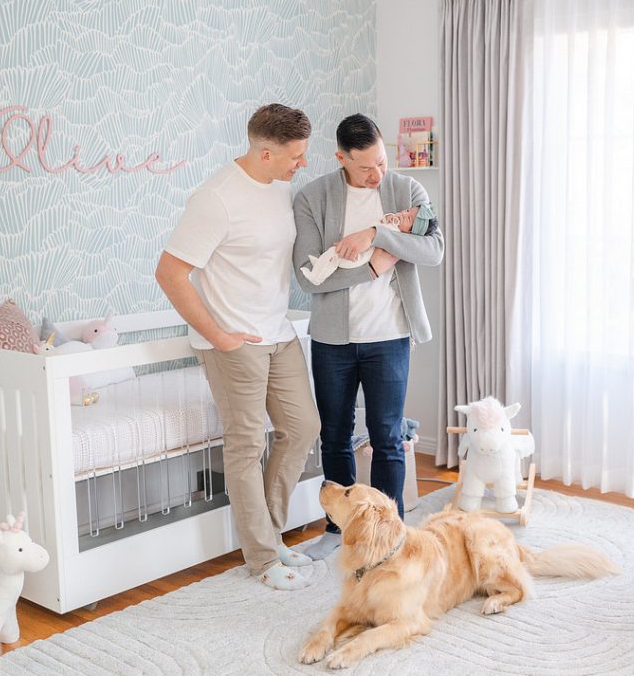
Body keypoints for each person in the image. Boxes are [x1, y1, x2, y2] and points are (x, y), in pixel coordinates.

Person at [155, 103, 321, 590]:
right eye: (296, 155)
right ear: (265, 152)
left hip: (277, 331)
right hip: (234, 340)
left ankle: (270, 534)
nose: (302, 164)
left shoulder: (281, 187)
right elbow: (170, 273)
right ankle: (264, 558)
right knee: (246, 444)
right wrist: (219, 334)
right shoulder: (215, 198)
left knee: (302, 426)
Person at [293, 113, 444, 560]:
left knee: (388, 436)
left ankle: (390, 533)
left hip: (391, 335)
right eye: (364, 167)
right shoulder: (312, 197)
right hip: (332, 340)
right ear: (341, 158)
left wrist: (376, 233)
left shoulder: (406, 191)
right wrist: (376, 264)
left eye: (380, 161)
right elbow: (310, 279)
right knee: (336, 436)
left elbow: (433, 249)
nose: (376, 174)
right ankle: (339, 532)